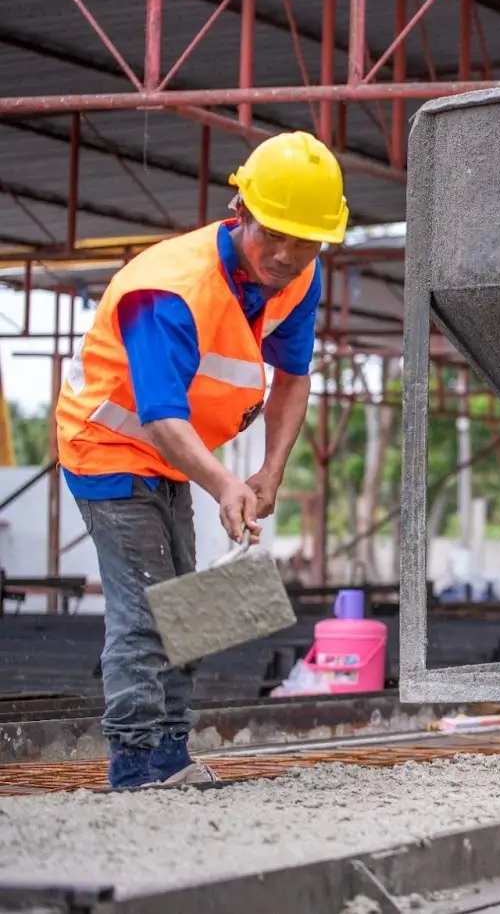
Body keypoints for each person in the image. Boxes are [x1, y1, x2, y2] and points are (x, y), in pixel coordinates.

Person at [55, 131, 348, 789]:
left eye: (306, 241)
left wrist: (270, 472)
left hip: (172, 456)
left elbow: (293, 376)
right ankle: (133, 767)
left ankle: (170, 759)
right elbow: (158, 415)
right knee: (149, 608)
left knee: (188, 604)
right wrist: (223, 483)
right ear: (239, 209)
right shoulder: (169, 291)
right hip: (107, 446)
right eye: (274, 233)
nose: (286, 254)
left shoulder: (298, 276)